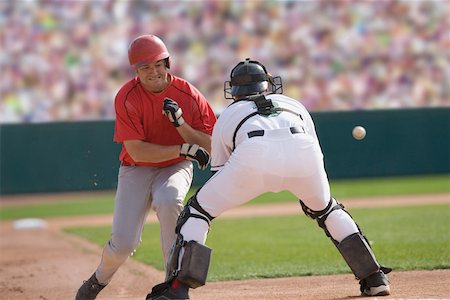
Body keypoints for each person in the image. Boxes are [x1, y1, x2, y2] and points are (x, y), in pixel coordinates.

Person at [146, 58, 391, 299]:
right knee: (328, 210)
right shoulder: (293, 104)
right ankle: (374, 277)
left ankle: (178, 288)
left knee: (197, 213)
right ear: (269, 84)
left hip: (254, 153)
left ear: (234, 90)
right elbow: (313, 150)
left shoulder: (230, 114)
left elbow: (219, 173)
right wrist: (311, 195)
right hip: (304, 154)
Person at [75, 34, 217, 300]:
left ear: (167, 63)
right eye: (145, 67)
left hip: (175, 166)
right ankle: (97, 280)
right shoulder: (127, 96)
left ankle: (173, 287)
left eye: (157, 64)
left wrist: (181, 126)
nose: (153, 71)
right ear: (136, 71)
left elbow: (210, 143)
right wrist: (183, 148)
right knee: (123, 244)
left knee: (170, 200)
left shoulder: (188, 93)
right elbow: (136, 150)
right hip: (136, 167)